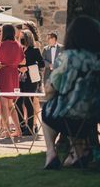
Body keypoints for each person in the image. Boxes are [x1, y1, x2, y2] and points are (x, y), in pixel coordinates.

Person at [42, 15, 100, 170]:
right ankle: (78, 152)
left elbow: (50, 88)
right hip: (93, 115)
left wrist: (50, 95)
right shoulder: (97, 59)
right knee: (72, 113)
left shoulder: (67, 57)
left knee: (48, 110)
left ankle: (51, 154)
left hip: (68, 113)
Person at [0, 24, 25, 138]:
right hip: (13, 74)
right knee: (11, 105)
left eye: (1, 31)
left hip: (5, 74)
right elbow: (22, 60)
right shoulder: (18, 44)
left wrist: (0, 64)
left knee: (3, 104)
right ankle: (18, 130)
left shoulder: (3, 44)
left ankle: (7, 131)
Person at [17, 29, 45, 136]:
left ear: (27, 38)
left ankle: (29, 129)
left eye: (22, 37)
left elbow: (42, 64)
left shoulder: (34, 50)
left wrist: (27, 68)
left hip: (31, 79)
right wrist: (19, 68)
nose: (20, 38)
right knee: (18, 102)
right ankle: (22, 125)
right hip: (20, 79)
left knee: (28, 103)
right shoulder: (19, 49)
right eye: (20, 37)